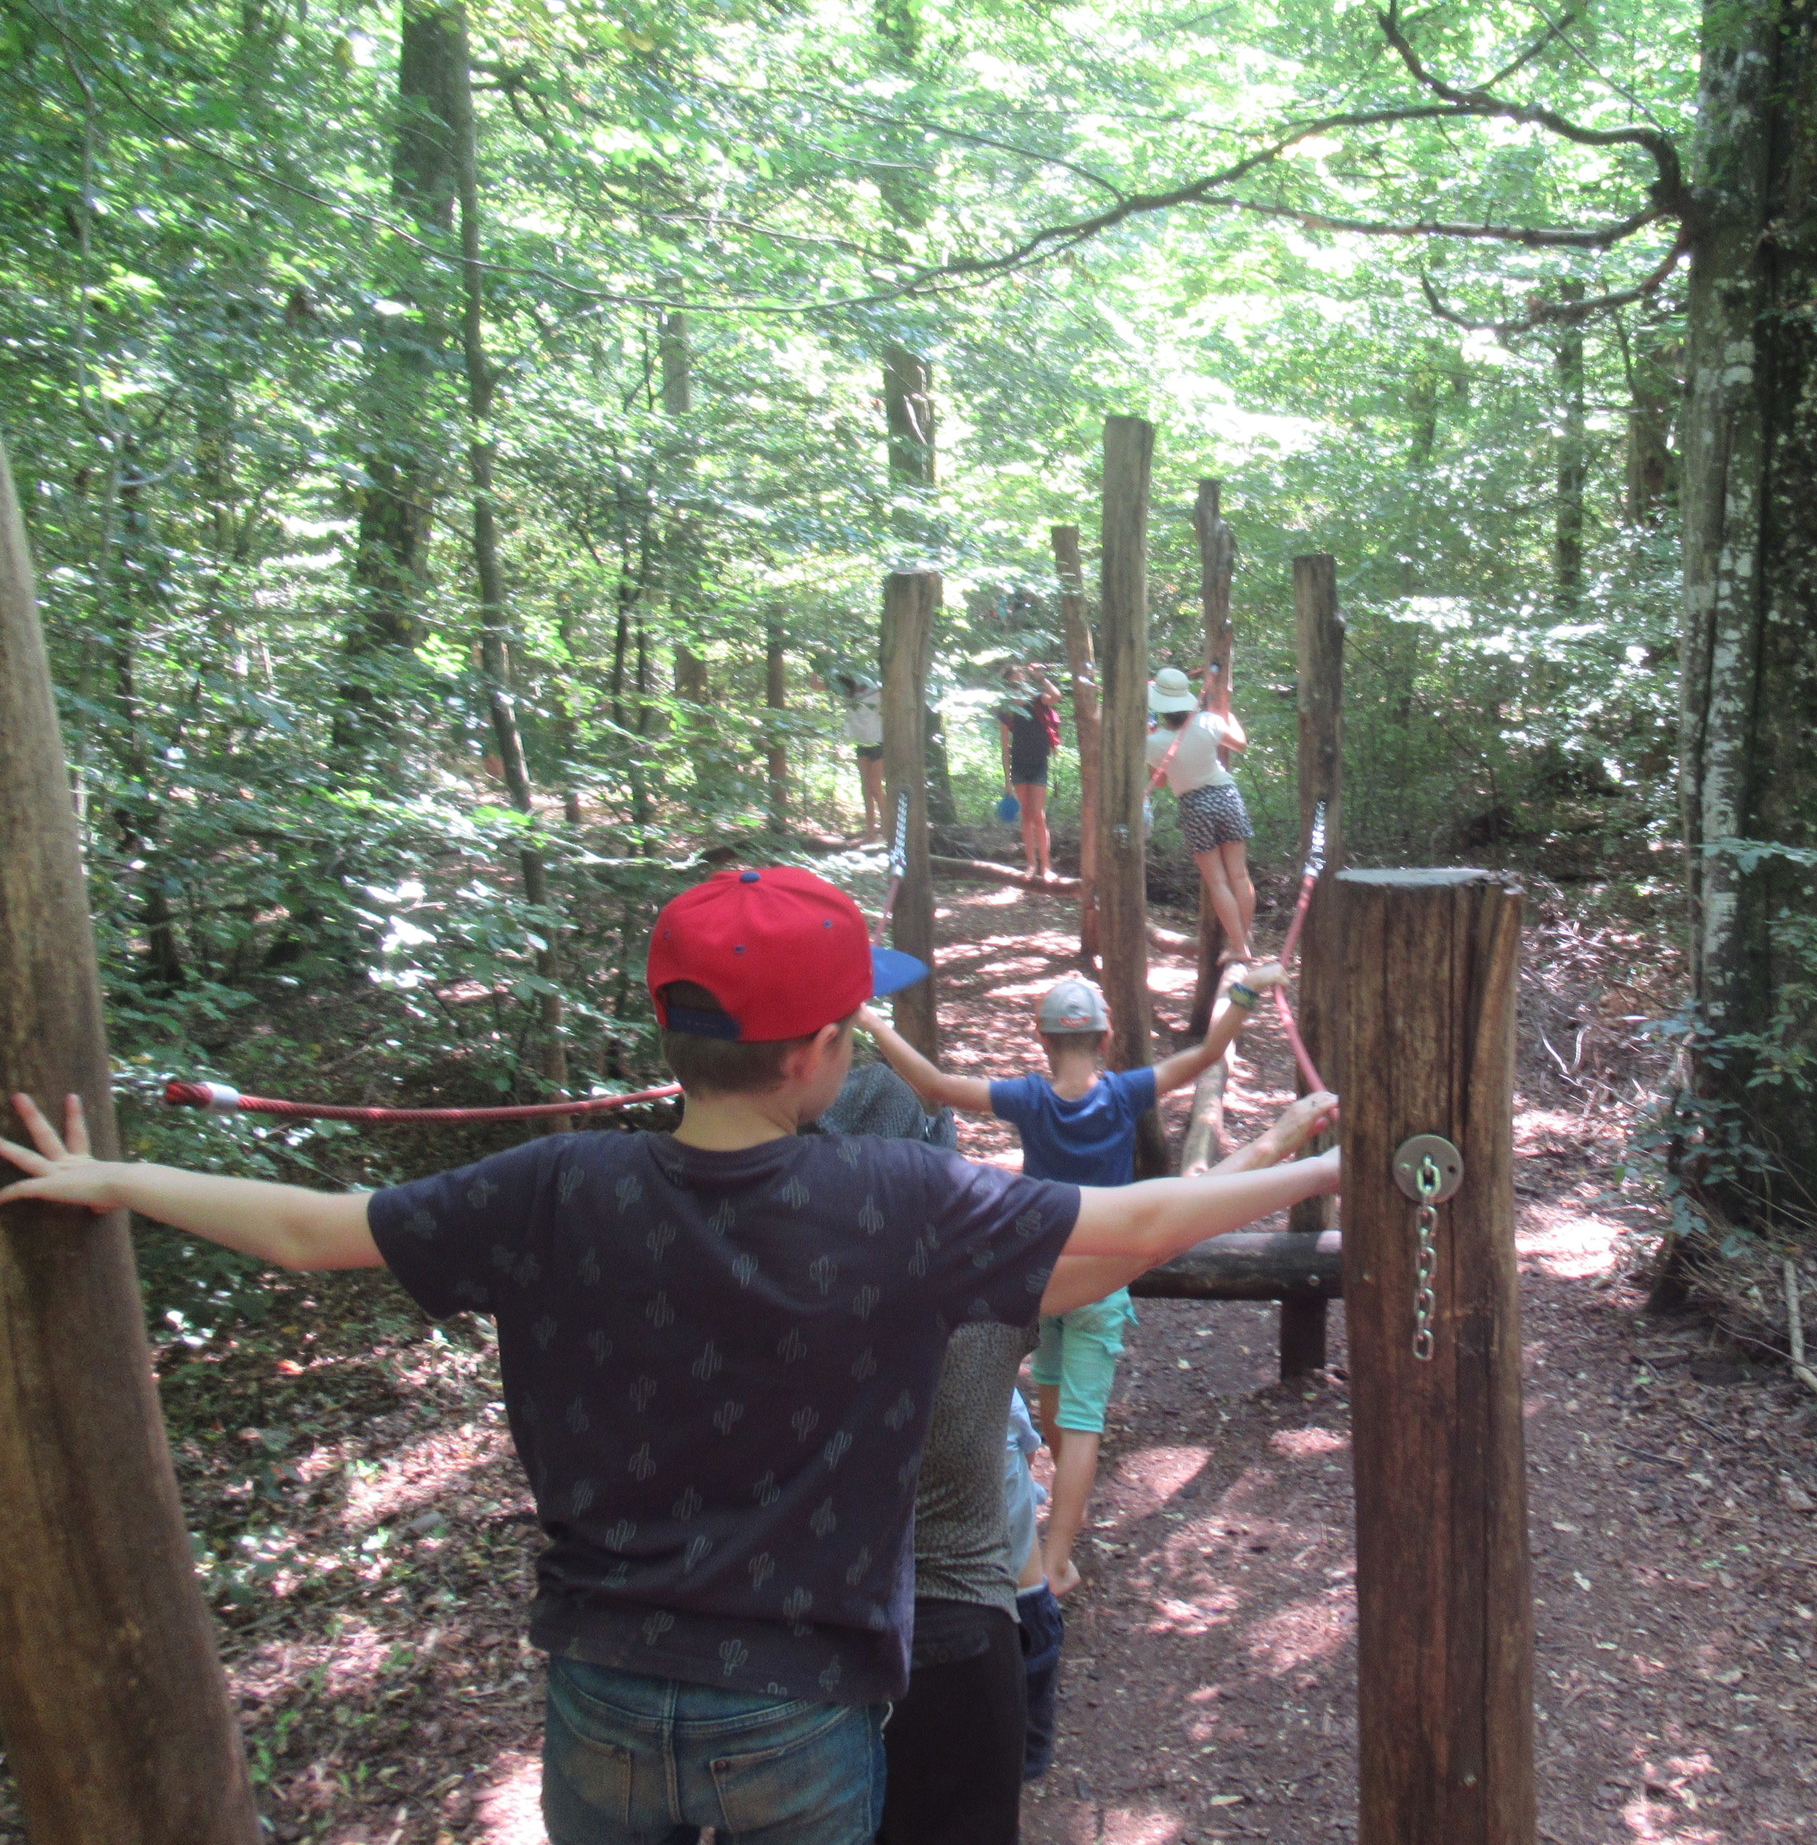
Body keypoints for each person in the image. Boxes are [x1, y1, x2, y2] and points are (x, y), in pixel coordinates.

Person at [0, 865, 1340, 1845]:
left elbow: (310, 1231)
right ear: (822, 1052)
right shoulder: (891, 1198)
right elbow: (1133, 1227)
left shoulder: (557, 1185)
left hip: (600, 1694)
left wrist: (117, 1176)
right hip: (799, 1708)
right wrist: (1331, 1167)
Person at [841, 1085, 1334, 1845]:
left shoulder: (769, 1276)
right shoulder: (979, 1280)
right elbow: (1147, 1234)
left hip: (819, 1631)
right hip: (956, 1635)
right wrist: (1296, 1153)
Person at [859, 962, 1283, 1595]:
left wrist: (872, 1022)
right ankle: (1058, 1557)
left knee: (1055, 1398)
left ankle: (1061, 1530)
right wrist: (1246, 992)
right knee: (1080, 1417)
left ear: (1043, 1039)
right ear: (1106, 1038)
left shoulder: (1030, 1099)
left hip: (1043, 1278)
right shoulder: (1123, 1094)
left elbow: (934, 1085)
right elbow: (1204, 1056)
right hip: (1104, 1276)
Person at [1147, 663, 1257, 964]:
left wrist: (1152, 740)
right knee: (1239, 874)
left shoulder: (1153, 743)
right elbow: (1240, 744)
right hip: (1226, 795)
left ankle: (1239, 946)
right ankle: (1243, 938)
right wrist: (1227, 714)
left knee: (1218, 881)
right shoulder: (1209, 721)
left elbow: (1160, 781)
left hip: (1194, 805)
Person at [994, 663, 1062, 881]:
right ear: (1008, 684)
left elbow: (1056, 696)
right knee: (1026, 816)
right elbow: (1005, 747)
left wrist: (1041, 678)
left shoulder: (1038, 700)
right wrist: (1007, 781)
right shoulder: (1006, 710)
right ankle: (1031, 864)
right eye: (1015, 679)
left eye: (1021, 677)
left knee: (1038, 815)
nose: (1019, 681)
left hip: (1039, 764)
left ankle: (1046, 867)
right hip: (1019, 766)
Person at [830, 671, 888, 842]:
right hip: (861, 744)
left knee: (875, 787)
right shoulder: (847, 692)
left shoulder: (876, 690)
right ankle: (871, 834)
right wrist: (819, 661)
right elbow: (815, 685)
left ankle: (887, 832)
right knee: (866, 789)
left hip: (879, 742)